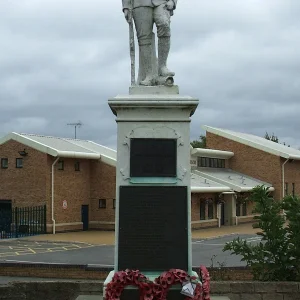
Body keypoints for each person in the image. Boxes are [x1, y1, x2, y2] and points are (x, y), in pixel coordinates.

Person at [122, 0, 177, 86]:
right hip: (139, 4)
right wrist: (126, 6)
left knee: (164, 25)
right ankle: (149, 75)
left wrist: (173, 1)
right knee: (144, 38)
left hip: (162, 2)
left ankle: (162, 66)